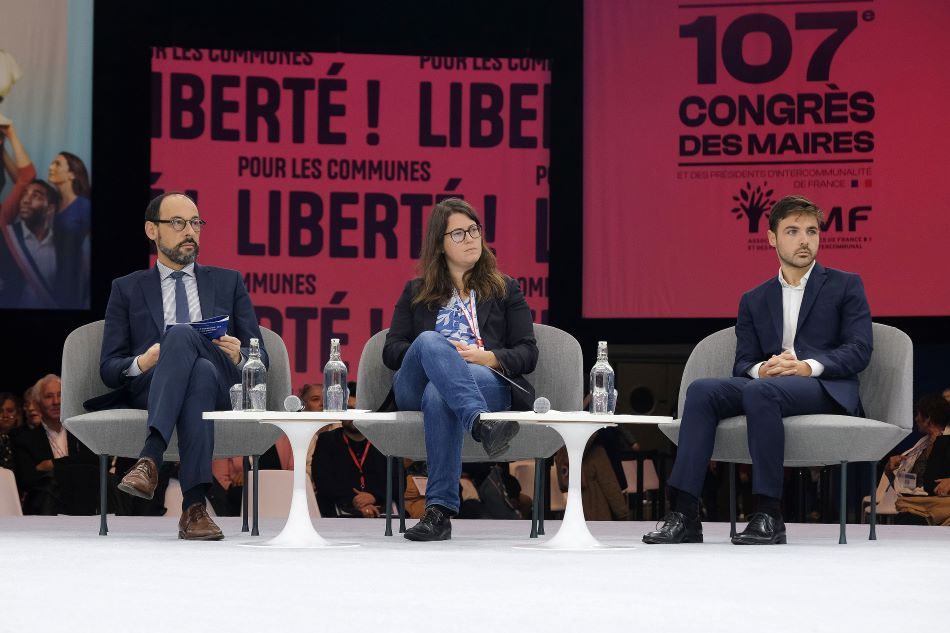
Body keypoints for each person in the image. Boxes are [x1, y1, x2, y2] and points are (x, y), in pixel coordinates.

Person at [644, 195, 872, 545]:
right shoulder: (754, 298)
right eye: (793, 231)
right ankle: (685, 513)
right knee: (702, 390)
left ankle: (769, 513)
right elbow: (743, 362)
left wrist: (806, 367)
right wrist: (763, 368)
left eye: (811, 232)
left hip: (823, 386)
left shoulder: (845, 284)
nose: (804, 240)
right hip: (770, 385)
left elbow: (859, 350)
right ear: (771, 238)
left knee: (759, 391)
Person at [99, 192, 268, 540]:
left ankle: (150, 458)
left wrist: (239, 355)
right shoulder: (127, 289)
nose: (189, 231)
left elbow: (260, 357)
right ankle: (194, 508)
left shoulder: (228, 281)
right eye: (177, 223)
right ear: (151, 230)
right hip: (155, 385)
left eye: (195, 223)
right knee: (198, 371)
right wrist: (141, 362)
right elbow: (109, 367)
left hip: (224, 383)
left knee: (183, 341)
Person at [383, 197, 538, 541]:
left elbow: (528, 353)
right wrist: (438, 352)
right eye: (458, 233)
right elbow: (391, 351)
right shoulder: (416, 292)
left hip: (484, 379)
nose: (470, 238)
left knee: (442, 392)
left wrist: (488, 357)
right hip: (416, 385)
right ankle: (479, 423)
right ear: (439, 245)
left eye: (474, 230)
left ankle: (438, 513)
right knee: (428, 340)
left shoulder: (505, 289)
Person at [13, 375, 98, 514]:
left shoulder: (82, 433)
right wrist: (75, 466)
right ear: (37, 403)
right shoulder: (24, 440)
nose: (56, 401)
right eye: (49, 396)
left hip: (86, 511)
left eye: (60, 395)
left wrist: (53, 464)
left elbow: (95, 463)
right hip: (44, 514)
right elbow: (27, 479)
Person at [311, 417, 390, 518]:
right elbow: (322, 481)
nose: (354, 416)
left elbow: (397, 481)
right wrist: (354, 500)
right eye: (351, 410)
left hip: (382, 506)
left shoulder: (385, 439)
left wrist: (373, 497)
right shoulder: (327, 440)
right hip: (337, 509)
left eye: (359, 410)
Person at [47, 151, 90, 308]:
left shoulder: (84, 207)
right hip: (48, 280)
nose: (51, 167)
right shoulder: (51, 205)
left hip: (72, 283)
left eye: (57, 163)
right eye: (52, 163)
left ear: (72, 174)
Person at [0, 391, 23, 471]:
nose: (5, 415)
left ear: (17, 414)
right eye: (0, 411)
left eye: (10, 411)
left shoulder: (24, 439)